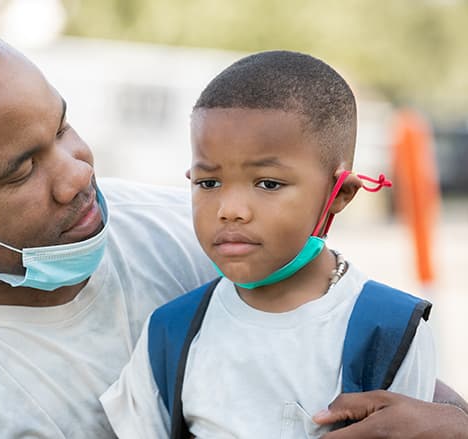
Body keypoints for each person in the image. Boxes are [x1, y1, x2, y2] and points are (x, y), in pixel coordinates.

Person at [0, 21, 468, 438]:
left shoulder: (193, 234)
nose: (75, 174)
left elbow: (369, 366)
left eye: (62, 127)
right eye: (21, 170)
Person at [98, 51, 448, 438]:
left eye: (268, 184)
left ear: (339, 194)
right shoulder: (170, 331)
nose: (230, 211)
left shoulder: (389, 329)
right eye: (208, 183)